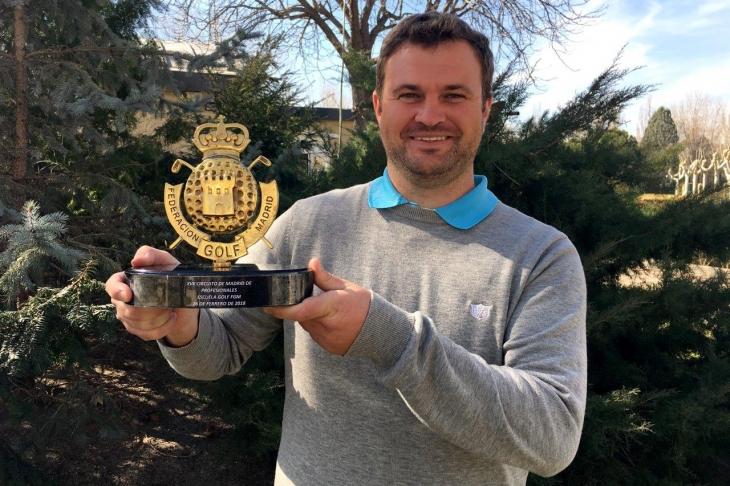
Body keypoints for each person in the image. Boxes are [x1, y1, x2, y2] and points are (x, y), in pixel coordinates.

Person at [106, 12, 587, 485]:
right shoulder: (307, 223)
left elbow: (552, 436)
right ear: (378, 106)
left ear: (486, 109)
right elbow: (219, 352)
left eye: (454, 96)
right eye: (409, 95)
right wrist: (180, 317)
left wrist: (390, 338)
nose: (429, 115)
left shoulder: (541, 256)